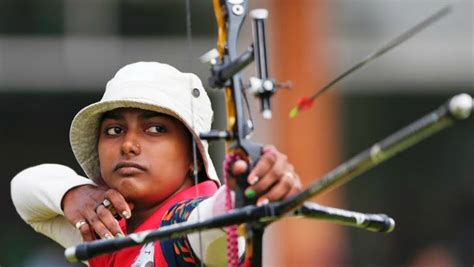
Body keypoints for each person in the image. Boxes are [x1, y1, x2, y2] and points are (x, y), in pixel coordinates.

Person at [11, 61, 302, 266]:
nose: (128, 144)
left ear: (193, 156)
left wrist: (247, 191)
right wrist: (73, 194)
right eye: (114, 130)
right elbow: (23, 189)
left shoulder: (190, 220)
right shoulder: (107, 226)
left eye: (155, 129)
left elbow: (210, 223)